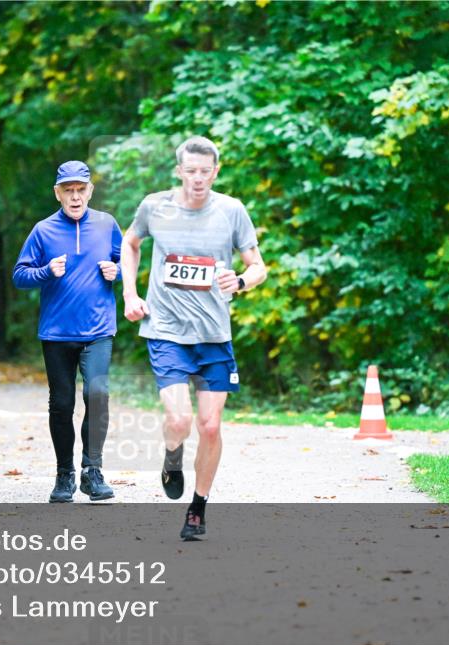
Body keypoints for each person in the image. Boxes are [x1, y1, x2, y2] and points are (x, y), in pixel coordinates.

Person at [121, 136, 267, 540]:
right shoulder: (155, 206)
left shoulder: (232, 211)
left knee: (210, 425)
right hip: (166, 331)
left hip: (214, 336)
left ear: (215, 171)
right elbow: (129, 244)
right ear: (179, 171)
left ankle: (197, 509)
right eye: (191, 171)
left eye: (206, 171)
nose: (198, 179)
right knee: (180, 420)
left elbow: (258, 266)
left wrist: (238, 280)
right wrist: (131, 295)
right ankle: (172, 455)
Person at [13, 160, 122, 504]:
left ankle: (93, 472)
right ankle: (65, 475)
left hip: (98, 328)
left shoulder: (107, 225)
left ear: (90, 191)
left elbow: (127, 265)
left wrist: (116, 271)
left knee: (98, 394)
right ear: (57, 194)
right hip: (57, 332)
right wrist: (45, 271)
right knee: (62, 403)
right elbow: (19, 275)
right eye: (68, 191)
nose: (75, 197)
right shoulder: (43, 231)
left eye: (81, 190)